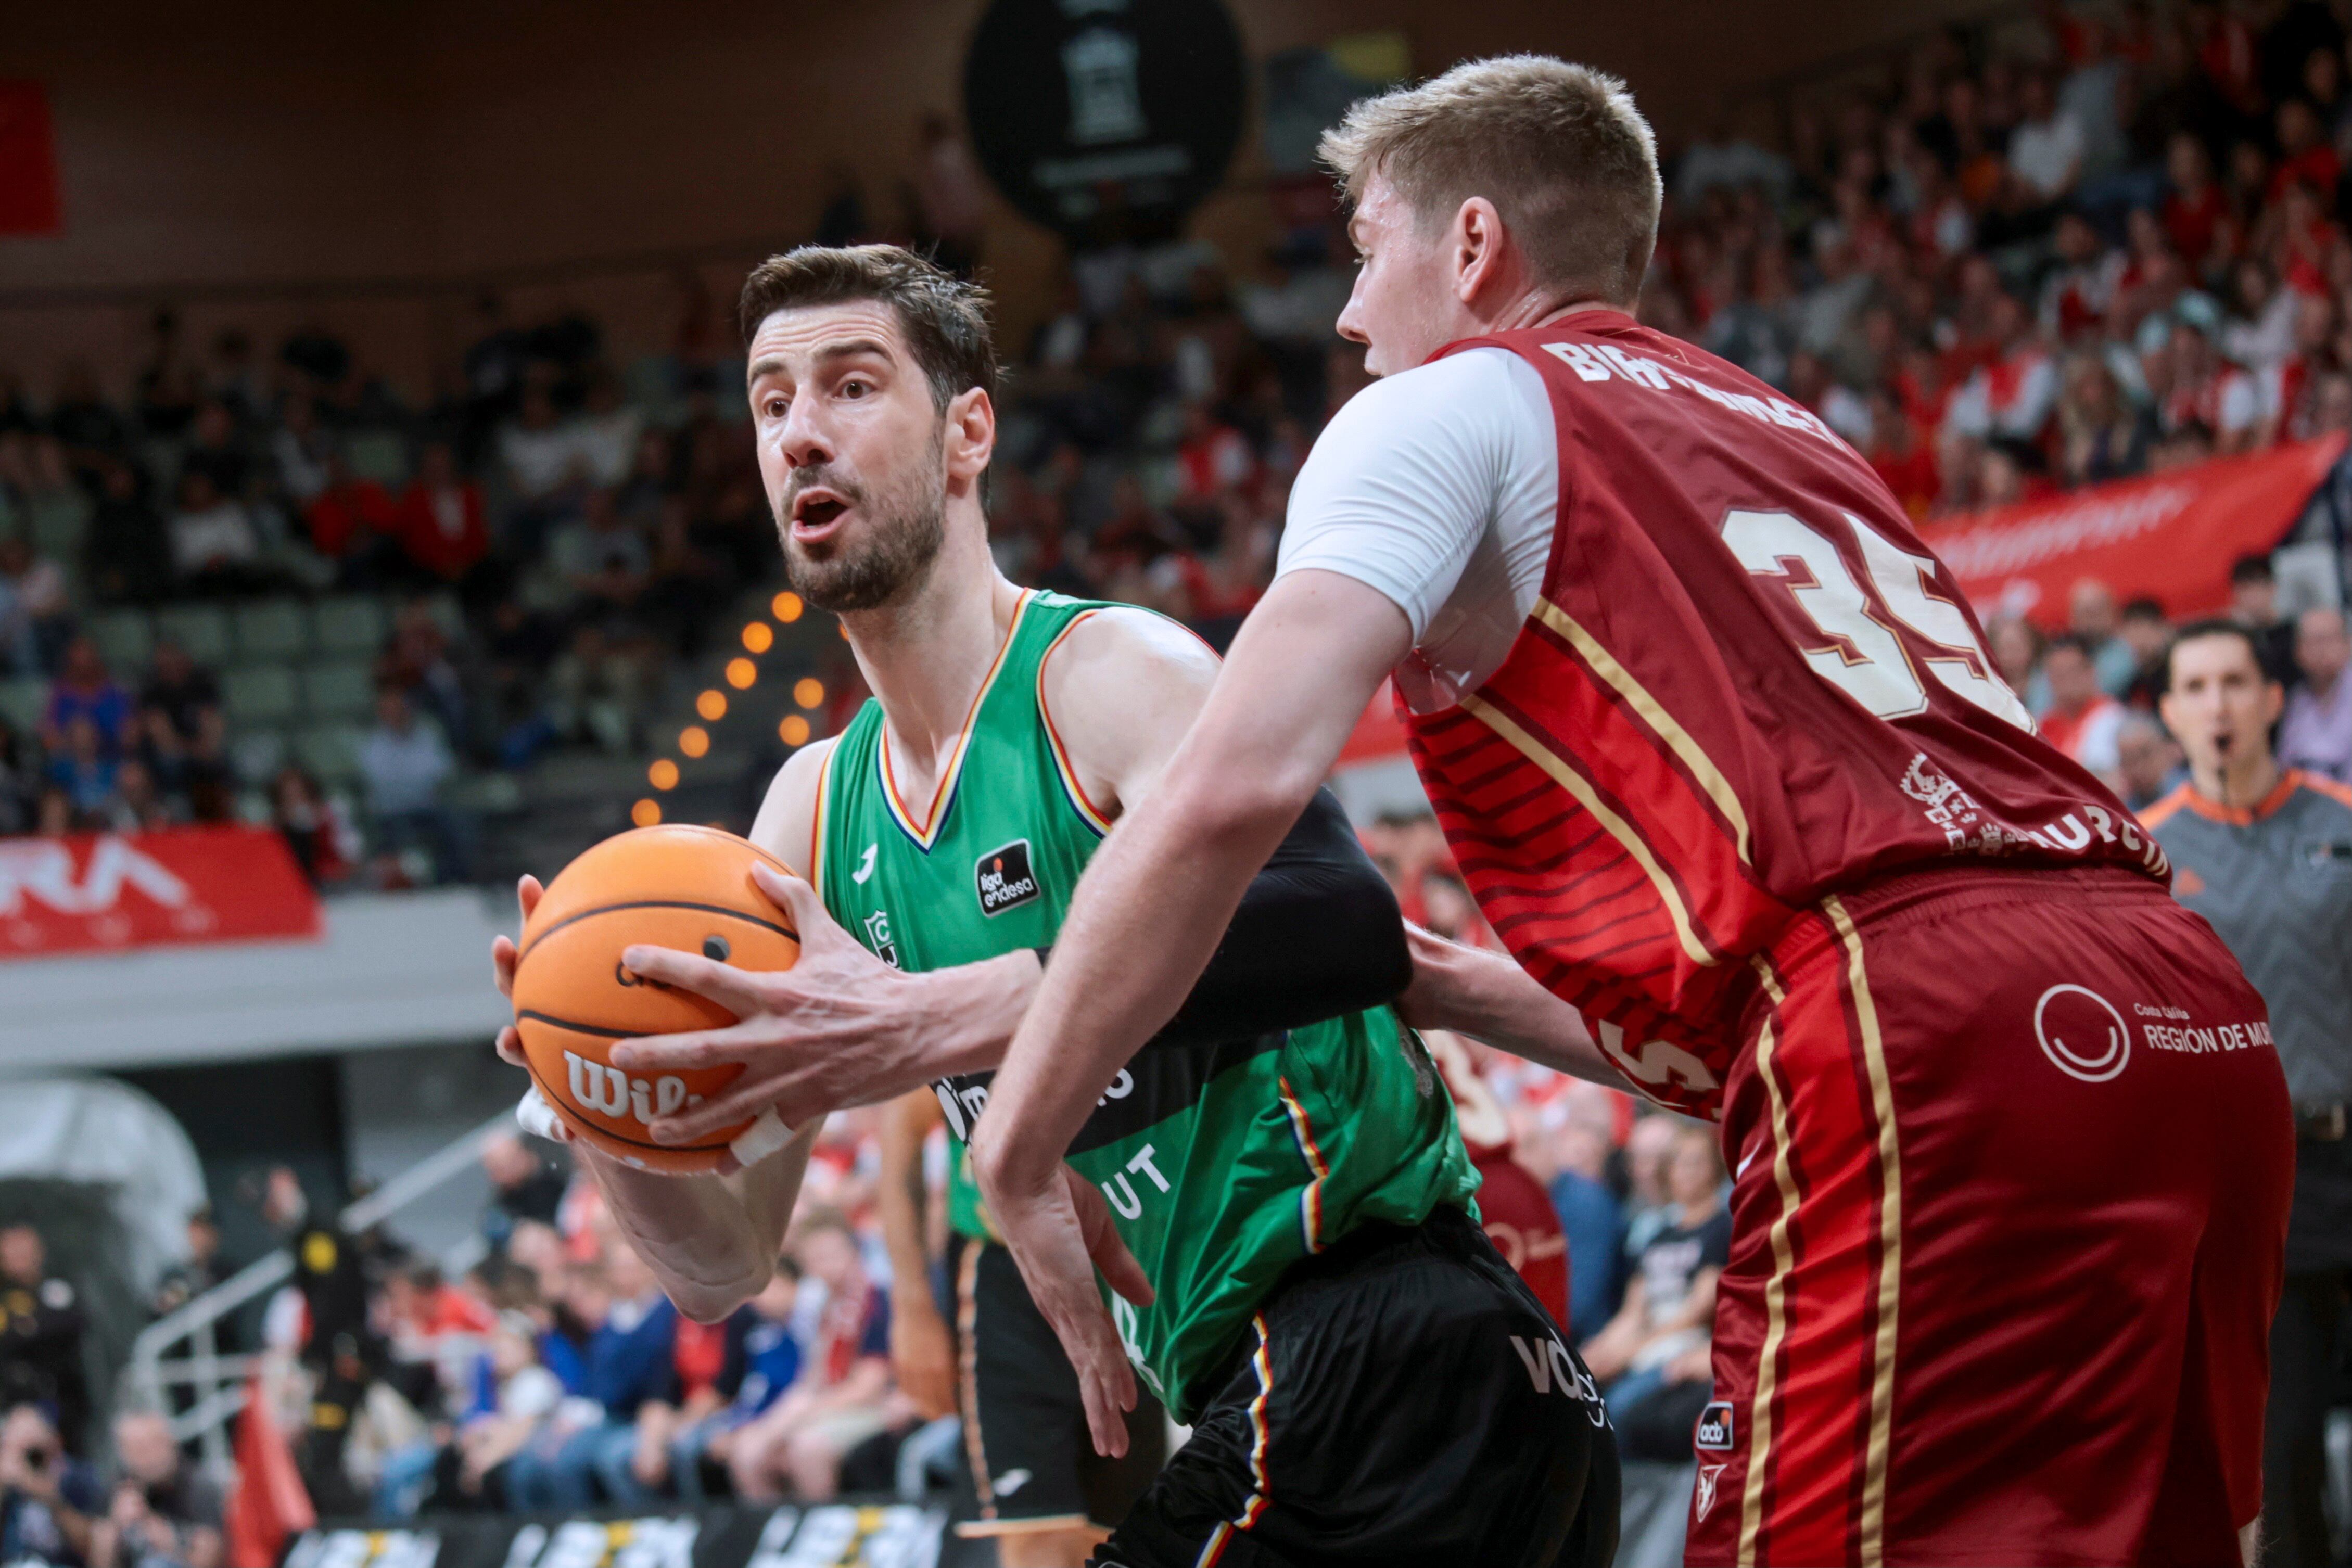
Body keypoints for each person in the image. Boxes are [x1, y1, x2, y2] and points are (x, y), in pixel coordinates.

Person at [965, 56, 2291, 1568]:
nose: (1347, 314)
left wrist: (1015, 1141)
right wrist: (1443, 979)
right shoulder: (1790, 430)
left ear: (1471, 248)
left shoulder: (1444, 403)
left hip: (1905, 1006)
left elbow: (1233, 790)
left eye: (1364, 251)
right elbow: (1818, 938)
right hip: (2174, 1000)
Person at [498, 244, 1616, 1565]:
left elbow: (1338, 924)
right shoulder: (811, 816)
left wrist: (948, 1029)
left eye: (851, 386)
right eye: (770, 402)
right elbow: (722, 1265)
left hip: (1387, 1347)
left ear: (968, 430)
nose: (801, 433)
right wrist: (605, 1095)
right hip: (1277, 1397)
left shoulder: (1107, 673)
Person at [2143, 620, 2352, 1568]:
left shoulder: (2340, 818)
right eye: (2197, 685)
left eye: (2234, 681)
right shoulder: (2145, 855)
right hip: (2262, 1187)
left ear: (2272, 699)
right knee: (2284, 1450)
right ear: (2168, 710)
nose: (2217, 702)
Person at [880, 1088, 1162, 1565]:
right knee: (1036, 1532)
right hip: (1004, 1278)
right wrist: (912, 1306)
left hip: (1131, 1258)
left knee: (1125, 1525)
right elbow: (902, 1124)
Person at [0, 1229, 88, 1458]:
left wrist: (27, 1331)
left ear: (39, 1251)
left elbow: (73, 1324)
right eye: (12, 1250)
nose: (19, 1257)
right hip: (15, 1407)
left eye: (25, 1250)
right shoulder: (5, 1298)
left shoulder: (58, 1288)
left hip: (65, 1404)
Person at [100, 1411, 222, 1568]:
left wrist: (169, 1542)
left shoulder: (198, 1485)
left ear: (170, 1443)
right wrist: (113, 1528)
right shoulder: (121, 1487)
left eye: (153, 1445)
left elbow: (210, 1562)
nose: (146, 1458)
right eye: (136, 1449)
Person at [0, 1404, 98, 1567]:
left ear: (53, 1440)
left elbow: (94, 1545)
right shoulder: (10, 1483)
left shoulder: (76, 1476)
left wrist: (49, 1498)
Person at [2280, 606, 2352, 782]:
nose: (2321, 650)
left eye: (2328, 640)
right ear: (2298, 651)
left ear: (2348, 644)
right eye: (2312, 642)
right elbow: (2283, 765)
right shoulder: (2294, 699)